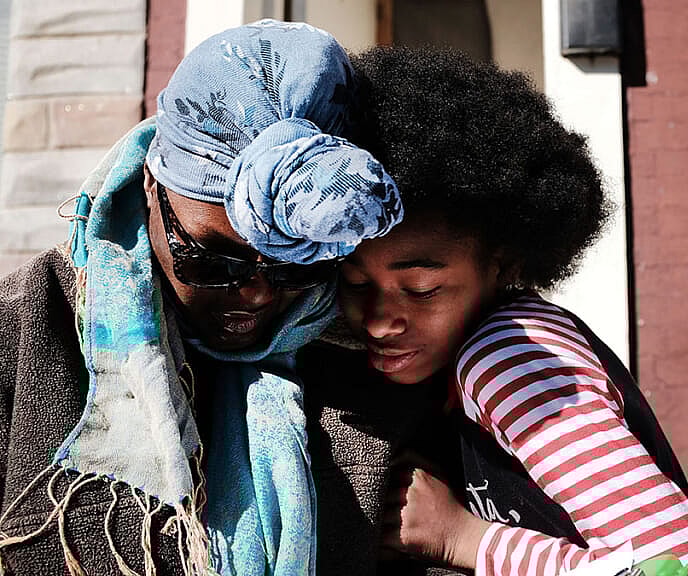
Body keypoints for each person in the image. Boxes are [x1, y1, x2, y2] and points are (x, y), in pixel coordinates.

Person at [0, 20, 404, 575]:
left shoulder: (381, 345)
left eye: (297, 266)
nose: (257, 292)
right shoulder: (25, 326)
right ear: (151, 185)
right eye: (213, 259)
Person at [334, 46, 688, 575]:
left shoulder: (509, 359)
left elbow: (683, 567)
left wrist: (463, 538)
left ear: (502, 263)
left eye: (423, 289)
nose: (381, 320)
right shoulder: (478, 357)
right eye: (356, 283)